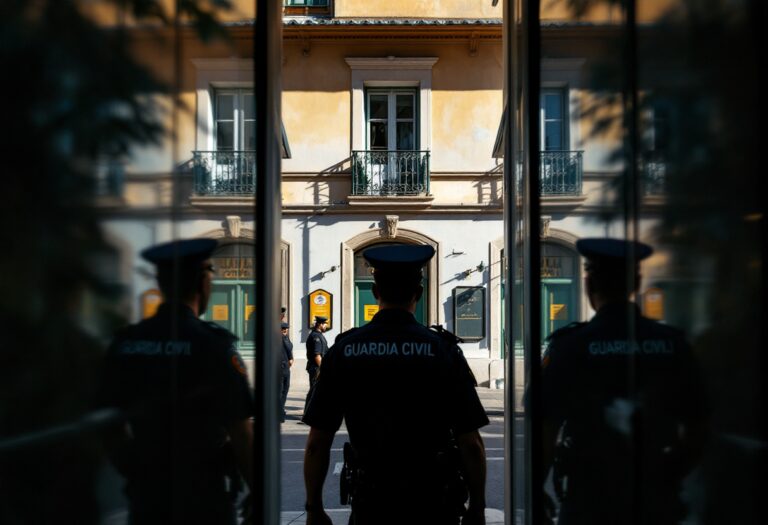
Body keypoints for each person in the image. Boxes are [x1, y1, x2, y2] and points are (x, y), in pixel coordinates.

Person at [302, 245, 489, 525]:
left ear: (376, 293)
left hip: (372, 501)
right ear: (419, 293)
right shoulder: (442, 350)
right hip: (432, 500)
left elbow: (317, 443)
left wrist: (314, 509)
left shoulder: (345, 350)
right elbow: (471, 443)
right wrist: (477, 508)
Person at [537, 238, 707, 525]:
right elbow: (699, 425)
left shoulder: (570, 346)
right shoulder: (672, 343)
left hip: (589, 497)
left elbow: (545, 428)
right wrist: (668, 473)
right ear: (637, 283)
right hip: (654, 497)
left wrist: (536, 488)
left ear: (589, 283)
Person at [101, 239, 254, 525]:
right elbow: (241, 431)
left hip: (147, 494)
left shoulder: (127, 342)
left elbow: (106, 421)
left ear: (161, 283)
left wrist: (136, 467)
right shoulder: (213, 345)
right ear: (202, 281)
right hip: (203, 492)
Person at [303, 315, 329, 415]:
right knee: (314, 391)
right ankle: (307, 414)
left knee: (316, 391)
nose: (326, 326)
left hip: (317, 367)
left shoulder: (318, 335)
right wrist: (323, 369)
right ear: (320, 324)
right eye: (325, 324)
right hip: (317, 368)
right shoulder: (316, 337)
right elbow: (317, 356)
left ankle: (311, 413)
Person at [280, 321, 294, 423]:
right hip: (279, 368)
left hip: (286, 368)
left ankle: (280, 410)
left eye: (286, 329)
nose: (285, 331)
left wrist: (291, 358)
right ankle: (279, 413)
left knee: (285, 390)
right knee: (279, 392)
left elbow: (289, 349)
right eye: (283, 329)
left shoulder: (285, 338)